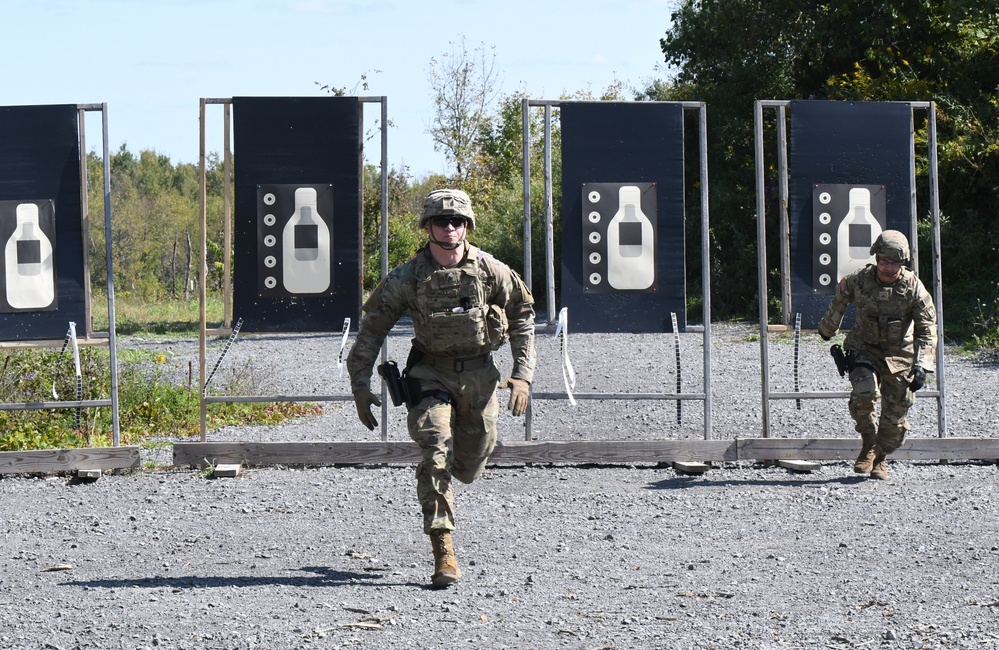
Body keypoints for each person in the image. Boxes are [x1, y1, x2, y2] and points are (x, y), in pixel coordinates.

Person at [346, 188, 536, 588]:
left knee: (468, 465)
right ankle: (443, 549)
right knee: (436, 451)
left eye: (457, 222)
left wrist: (523, 373)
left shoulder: (490, 270)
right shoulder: (407, 277)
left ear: (466, 226)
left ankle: (460, 471)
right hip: (430, 375)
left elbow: (522, 313)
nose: (449, 228)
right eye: (441, 221)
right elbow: (371, 330)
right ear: (427, 227)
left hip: (480, 377)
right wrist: (360, 385)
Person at [818, 230, 937, 480]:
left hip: (899, 354)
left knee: (895, 416)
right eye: (884, 261)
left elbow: (927, 328)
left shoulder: (914, 287)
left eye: (894, 262)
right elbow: (840, 299)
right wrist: (828, 328)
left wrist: (922, 365)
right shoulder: (860, 280)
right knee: (864, 395)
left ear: (902, 262)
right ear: (876, 257)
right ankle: (869, 442)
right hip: (864, 348)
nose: (888, 267)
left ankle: (881, 457)